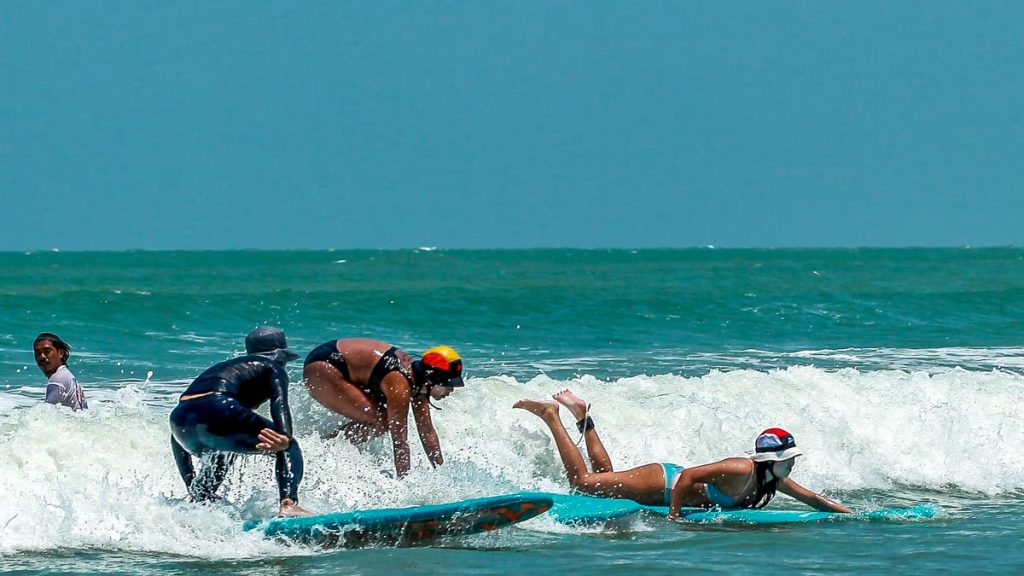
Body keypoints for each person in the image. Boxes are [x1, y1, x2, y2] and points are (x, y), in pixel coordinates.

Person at [513, 390, 851, 517]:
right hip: (660, 483)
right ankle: (551, 416)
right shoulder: (741, 468)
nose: (792, 463)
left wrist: (854, 516)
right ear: (771, 461)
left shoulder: (771, 480)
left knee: (604, 479)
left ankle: (583, 415)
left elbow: (815, 500)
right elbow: (690, 476)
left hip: (662, 485)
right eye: (788, 459)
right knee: (583, 483)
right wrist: (675, 517)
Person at [169, 327, 312, 517]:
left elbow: (177, 436)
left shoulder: (225, 369)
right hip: (219, 407)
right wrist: (284, 437)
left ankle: (200, 498)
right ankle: (288, 504)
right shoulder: (273, 367)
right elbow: (280, 403)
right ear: (282, 356)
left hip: (179, 420)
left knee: (223, 451)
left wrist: (190, 482)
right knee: (288, 446)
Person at [303, 339, 464, 478]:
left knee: (382, 420)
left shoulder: (420, 385)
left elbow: (427, 431)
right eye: (448, 384)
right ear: (431, 379)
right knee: (382, 421)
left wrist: (442, 473)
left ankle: (324, 450)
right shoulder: (400, 383)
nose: (451, 390)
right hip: (323, 367)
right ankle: (317, 453)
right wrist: (405, 483)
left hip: (341, 364)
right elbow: (400, 439)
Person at [34, 333, 87, 410]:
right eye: (38, 353)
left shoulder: (58, 379)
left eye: (47, 351)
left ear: (60, 353)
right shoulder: (67, 376)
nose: (42, 356)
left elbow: (46, 413)